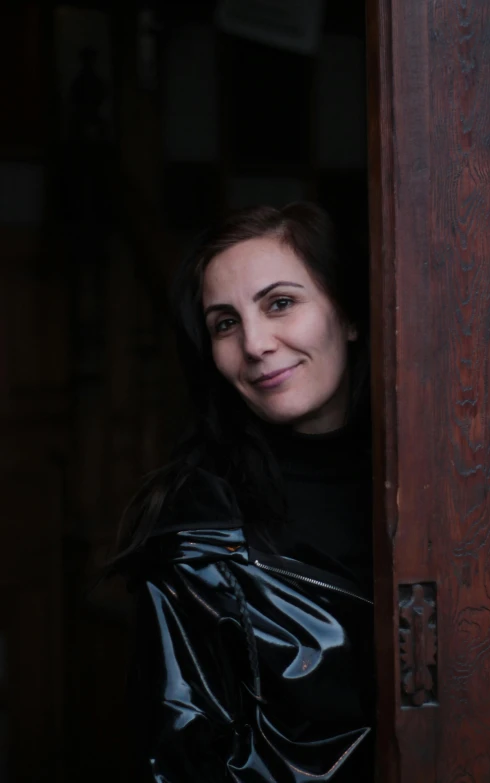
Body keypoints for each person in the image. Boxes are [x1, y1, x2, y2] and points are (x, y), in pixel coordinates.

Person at [112, 202, 375, 781]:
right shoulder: (198, 530)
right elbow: (176, 754)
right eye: (225, 323)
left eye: (280, 303)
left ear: (350, 314)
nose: (255, 344)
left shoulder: (459, 484)